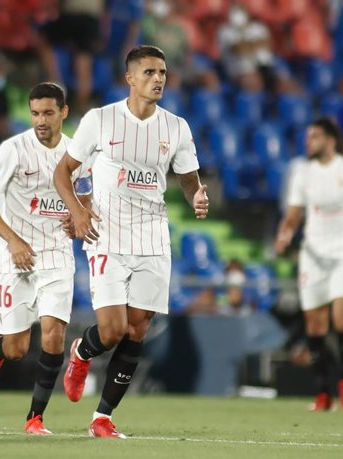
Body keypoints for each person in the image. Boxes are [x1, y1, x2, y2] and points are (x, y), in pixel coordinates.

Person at [53, 45, 209, 438]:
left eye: (163, 73)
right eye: (150, 72)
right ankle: (82, 352)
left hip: (154, 236)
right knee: (111, 330)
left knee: (138, 329)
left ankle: (102, 418)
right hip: (107, 232)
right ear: (131, 78)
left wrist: (197, 197)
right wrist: (77, 210)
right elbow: (63, 172)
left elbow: (189, 179)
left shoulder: (176, 127)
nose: (159, 79)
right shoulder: (100, 120)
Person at [0, 82, 93, 435]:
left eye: (48, 113)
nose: (41, 120)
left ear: (64, 112)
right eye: (35, 113)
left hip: (57, 253)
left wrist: (79, 218)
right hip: (15, 256)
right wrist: (13, 241)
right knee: (17, 348)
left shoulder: (77, 154)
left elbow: (85, 197)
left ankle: (35, 418)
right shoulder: (14, 149)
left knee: (54, 336)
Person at [274, 118, 343, 412]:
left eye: (315, 136)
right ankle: (323, 393)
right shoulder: (303, 173)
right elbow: (295, 213)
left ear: (331, 140)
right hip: (313, 256)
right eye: (308, 136)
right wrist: (285, 233)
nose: (309, 141)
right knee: (315, 325)